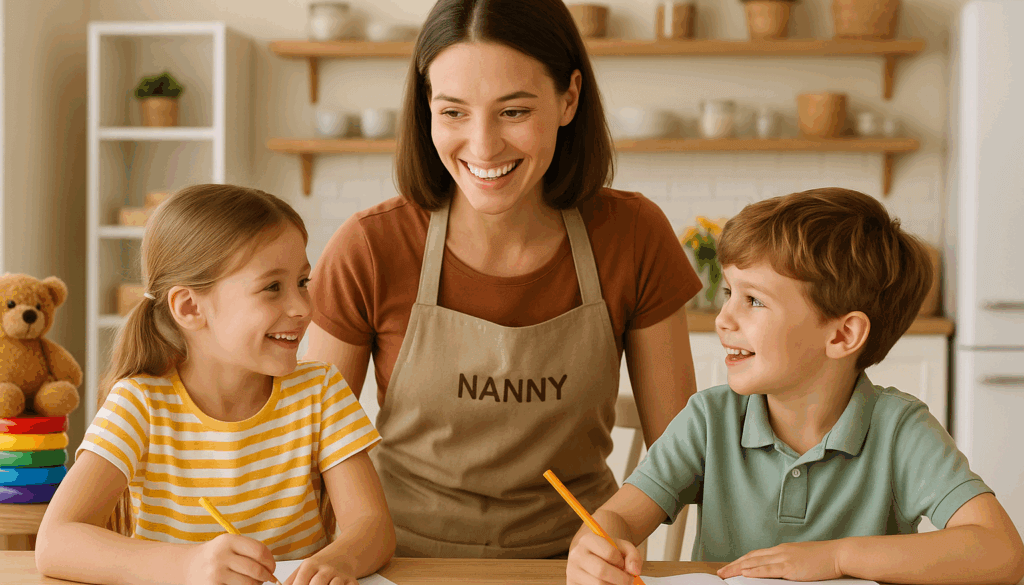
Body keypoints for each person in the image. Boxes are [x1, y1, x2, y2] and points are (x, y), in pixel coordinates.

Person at [303, 0, 703, 559]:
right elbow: (303, 445)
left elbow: (680, 452)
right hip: (399, 562)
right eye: (453, 112)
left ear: (569, 99)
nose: (484, 146)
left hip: (574, 566)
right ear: (426, 110)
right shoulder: (372, 246)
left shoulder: (633, 235)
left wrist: (617, 533)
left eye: (513, 112)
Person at [566, 188, 1024, 585]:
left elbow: (1000, 552)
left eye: (754, 300)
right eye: (730, 294)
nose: (724, 319)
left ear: (842, 335)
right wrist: (596, 543)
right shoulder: (710, 419)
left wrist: (836, 558)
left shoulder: (899, 430)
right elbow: (621, 516)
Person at [35, 185, 396, 585]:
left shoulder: (320, 392)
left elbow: (373, 525)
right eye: (272, 287)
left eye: (302, 282)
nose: (302, 307)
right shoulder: (139, 404)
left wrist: (341, 560)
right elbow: (55, 542)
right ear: (190, 307)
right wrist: (188, 566)